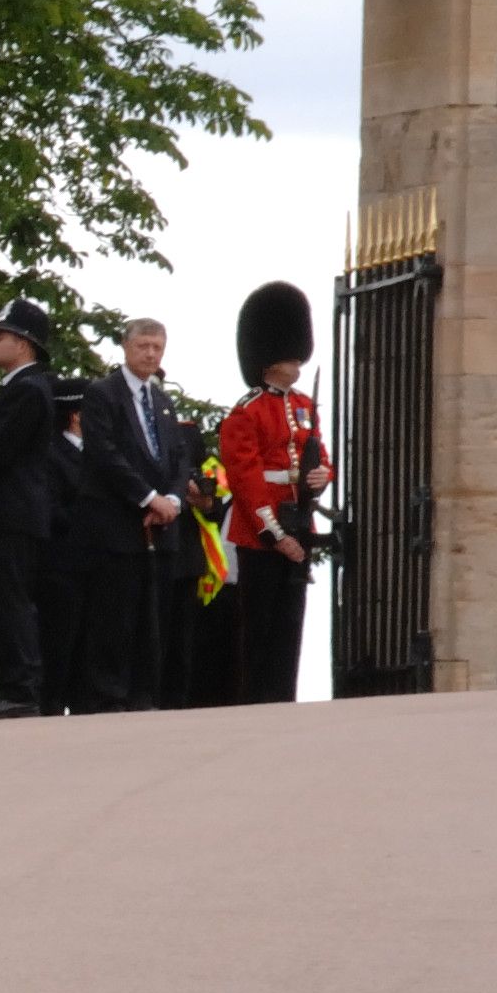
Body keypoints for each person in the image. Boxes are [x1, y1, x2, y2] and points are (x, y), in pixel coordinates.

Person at [218, 282, 331, 705]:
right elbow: (246, 480)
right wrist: (275, 533)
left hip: (299, 519)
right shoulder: (245, 413)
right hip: (261, 530)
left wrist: (323, 475)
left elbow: (319, 455)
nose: (297, 362)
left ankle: (284, 696)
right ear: (268, 361)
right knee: (260, 627)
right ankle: (255, 699)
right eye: (289, 355)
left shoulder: (303, 405)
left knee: (290, 623)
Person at [74, 311, 187, 712]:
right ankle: (108, 696)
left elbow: (178, 457)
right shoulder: (101, 393)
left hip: (160, 528)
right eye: (144, 346)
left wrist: (172, 500)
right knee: (115, 616)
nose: (151, 354)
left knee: (153, 617)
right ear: (126, 347)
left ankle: (144, 694)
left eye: (158, 347)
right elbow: (105, 454)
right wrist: (147, 497)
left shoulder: (163, 400)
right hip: (117, 524)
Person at [0, 297, 62, 719]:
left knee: (10, 602)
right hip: (17, 512)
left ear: (23, 344)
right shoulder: (28, 387)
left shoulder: (25, 390)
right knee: (8, 600)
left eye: (0, 337)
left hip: (11, 512)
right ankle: (17, 685)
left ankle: (20, 687)